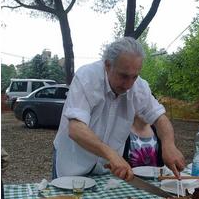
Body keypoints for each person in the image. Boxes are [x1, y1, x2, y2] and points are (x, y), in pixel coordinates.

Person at [54, 37, 185, 181]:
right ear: (108, 65)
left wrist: (169, 144)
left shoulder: (139, 87)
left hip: (106, 170)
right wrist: (111, 154)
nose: (128, 84)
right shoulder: (87, 77)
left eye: (134, 77)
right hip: (72, 164)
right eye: (123, 76)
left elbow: (160, 118)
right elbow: (76, 128)